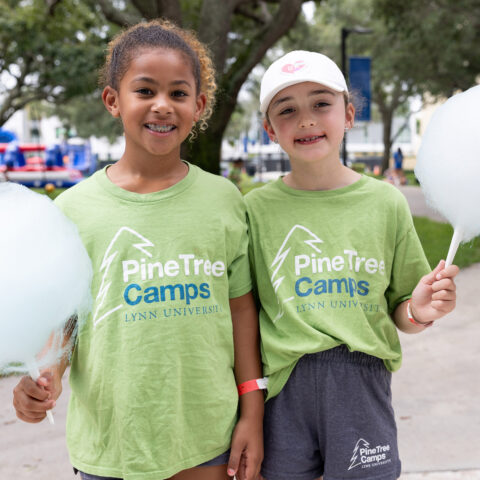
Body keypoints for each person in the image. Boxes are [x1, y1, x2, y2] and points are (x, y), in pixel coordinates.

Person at [12, 20, 264, 480]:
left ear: (199, 105)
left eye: (179, 93)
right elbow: (66, 321)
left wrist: (253, 410)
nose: (162, 106)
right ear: (114, 101)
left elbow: (242, 311)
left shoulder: (224, 200)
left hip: (206, 437)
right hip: (110, 445)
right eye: (145, 90)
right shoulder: (72, 209)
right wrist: (44, 377)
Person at [244, 50, 459, 480]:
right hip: (284, 389)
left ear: (349, 114)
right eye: (287, 110)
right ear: (270, 129)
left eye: (321, 103)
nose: (306, 119)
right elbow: (244, 314)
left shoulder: (386, 203)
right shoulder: (252, 211)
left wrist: (420, 309)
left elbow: (404, 311)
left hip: (361, 381)